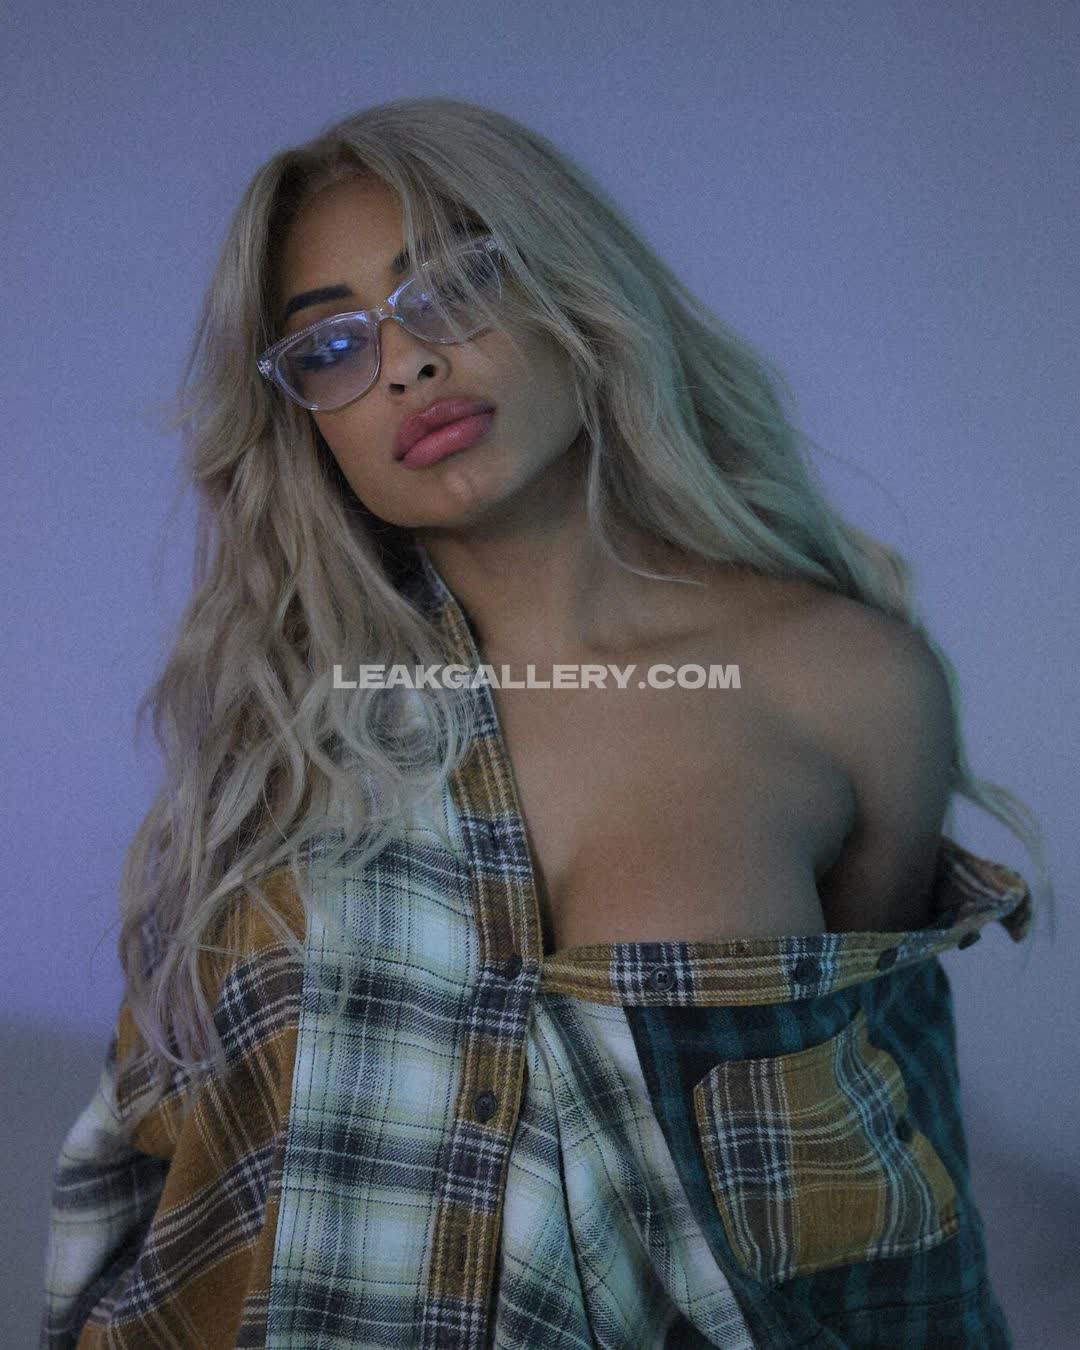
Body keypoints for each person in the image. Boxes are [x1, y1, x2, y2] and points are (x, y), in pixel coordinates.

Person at [40, 96, 1050, 1349]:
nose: (405, 364)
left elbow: (881, 1203)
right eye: (332, 345)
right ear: (307, 421)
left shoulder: (851, 685)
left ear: (573, 286)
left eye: (455, 285)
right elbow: (155, 1187)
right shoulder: (283, 741)